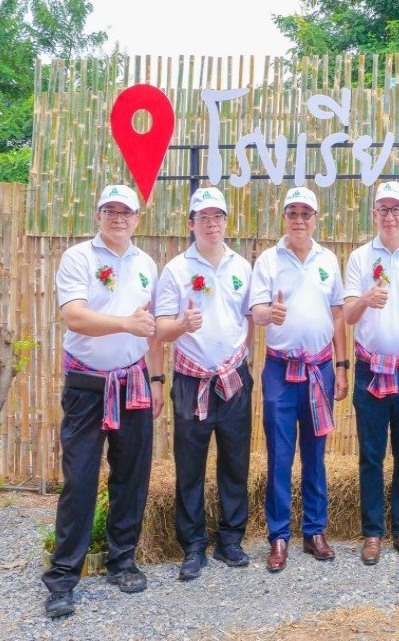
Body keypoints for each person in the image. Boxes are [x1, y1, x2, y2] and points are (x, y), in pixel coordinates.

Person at [43, 184, 165, 618]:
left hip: (133, 383)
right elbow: (74, 316)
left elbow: (149, 327)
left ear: (137, 218)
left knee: (131, 475)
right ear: (98, 216)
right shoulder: (78, 258)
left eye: (125, 212)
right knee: (79, 479)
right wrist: (126, 324)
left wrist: (156, 377)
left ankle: (122, 561)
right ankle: (61, 579)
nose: (118, 218)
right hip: (87, 385)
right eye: (110, 211)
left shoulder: (147, 263)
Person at [155, 187, 254, 581]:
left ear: (226, 222)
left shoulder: (241, 267)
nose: (212, 224)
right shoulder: (176, 269)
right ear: (190, 223)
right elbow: (161, 329)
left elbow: (251, 316)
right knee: (190, 465)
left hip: (233, 379)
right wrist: (182, 325)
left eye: (218, 217)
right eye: (204, 217)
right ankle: (193, 544)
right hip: (190, 380)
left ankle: (231, 538)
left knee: (235, 461)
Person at [249, 186, 349, 572]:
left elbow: (337, 312)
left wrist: (341, 366)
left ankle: (314, 530)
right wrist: (267, 314)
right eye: (293, 213)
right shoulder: (269, 260)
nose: (299, 220)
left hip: (320, 369)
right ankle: (278, 536)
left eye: (306, 214)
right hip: (280, 369)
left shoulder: (328, 260)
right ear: (284, 218)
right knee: (279, 454)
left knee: (316, 453)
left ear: (316, 219)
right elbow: (255, 309)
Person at [343, 181, 399, 565]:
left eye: (396, 209)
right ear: (374, 214)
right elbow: (347, 315)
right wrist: (366, 298)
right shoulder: (360, 259)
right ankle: (372, 533)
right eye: (383, 209)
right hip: (369, 370)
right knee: (370, 455)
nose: (389, 216)